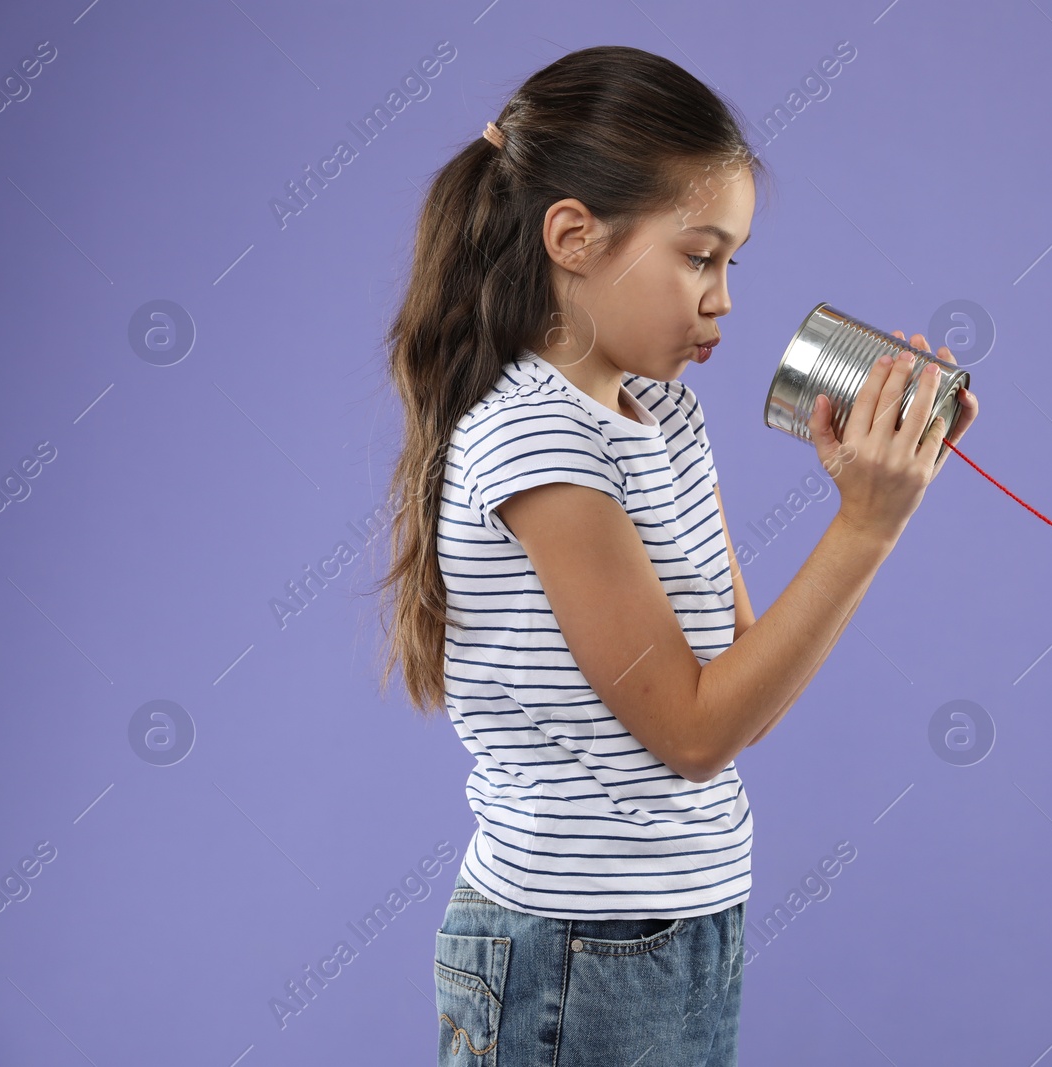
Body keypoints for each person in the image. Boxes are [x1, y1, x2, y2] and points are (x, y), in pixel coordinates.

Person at [376, 43, 978, 1067]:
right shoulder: (539, 443)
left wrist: (871, 502)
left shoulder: (661, 416)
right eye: (700, 256)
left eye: (731, 261)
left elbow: (744, 695)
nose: (725, 298)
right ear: (572, 236)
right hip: (574, 945)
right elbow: (692, 734)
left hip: (685, 923)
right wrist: (866, 525)